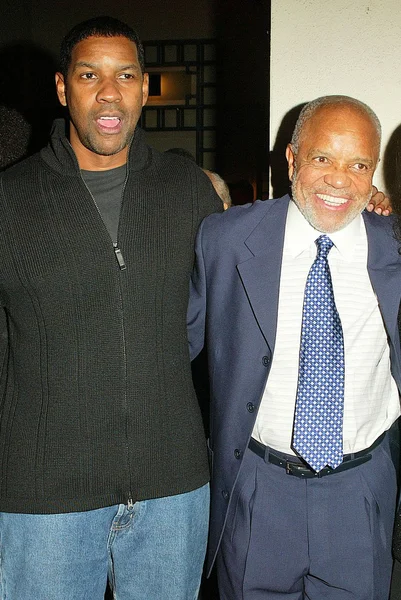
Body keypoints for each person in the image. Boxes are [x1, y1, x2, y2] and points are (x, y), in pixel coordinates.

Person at [0, 16, 222, 600]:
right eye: (89, 74)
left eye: (125, 75)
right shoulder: (10, 199)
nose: (108, 92)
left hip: (172, 489)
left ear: (145, 88)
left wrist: (364, 206)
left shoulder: (187, 188)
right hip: (43, 498)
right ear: (61, 88)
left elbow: (257, 264)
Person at [188, 95, 401, 599]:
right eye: (322, 158)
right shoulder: (224, 239)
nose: (338, 179)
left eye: (358, 165)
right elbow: (173, 351)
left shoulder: (394, 243)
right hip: (258, 491)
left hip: (360, 491)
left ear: (374, 175)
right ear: (291, 158)